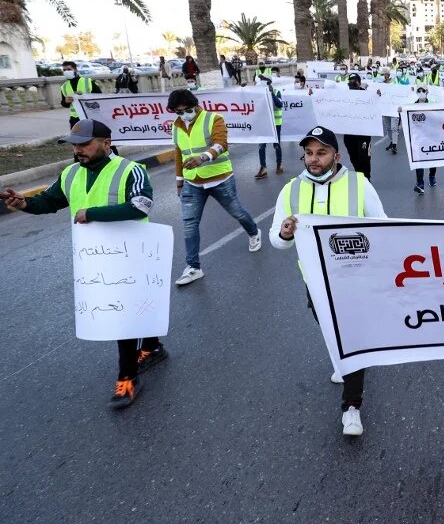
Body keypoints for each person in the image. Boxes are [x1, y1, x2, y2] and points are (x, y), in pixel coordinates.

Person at [0, 120, 167, 409]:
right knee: (132, 307)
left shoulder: (130, 170)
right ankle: (152, 347)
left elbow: (141, 204)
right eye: (74, 145)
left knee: (121, 316)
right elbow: (49, 201)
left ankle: (127, 378)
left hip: (131, 254)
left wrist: (92, 213)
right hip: (96, 258)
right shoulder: (70, 173)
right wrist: (24, 203)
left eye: (84, 144)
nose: (78, 150)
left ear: (106, 142)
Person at [269, 126, 387, 436]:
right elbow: (277, 241)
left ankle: (352, 407)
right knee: (332, 331)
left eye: (321, 152)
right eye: (309, 153)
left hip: (354, 281)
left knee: (351, 339)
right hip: (316, 283)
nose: (314, 159)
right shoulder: (291, 191)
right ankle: (344, 358)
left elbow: (384, 228)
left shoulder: (360, 185)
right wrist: (284, 233)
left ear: (336, 155)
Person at [167, 88, 262, 286]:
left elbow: (221, 144)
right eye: (178, 112)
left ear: (195, 105)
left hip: (220, 179)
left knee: (237, 212)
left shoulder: (213, 119)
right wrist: (179, 181)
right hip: (192, 182)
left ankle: (254, 232)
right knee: (189, 224)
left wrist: (203, 157)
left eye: (186, 110)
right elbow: (179, 154)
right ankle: (193, 267)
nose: (183, 115)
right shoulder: (176, 127)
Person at [405, 85, 437, 193]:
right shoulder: (412, 105)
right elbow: (405, 116)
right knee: (419, 160)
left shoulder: (434, 103)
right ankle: (420, 184)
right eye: (419, 90)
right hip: (418, 137)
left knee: (432, 159)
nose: (421, 92)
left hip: (432, 136)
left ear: (427, 92)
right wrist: (400, 110)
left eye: (423, 90)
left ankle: (432, 176)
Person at [343, 73, 372, 180]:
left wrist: (377, 95)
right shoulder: (344, 97)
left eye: (354, 82)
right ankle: (360, 177)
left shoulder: (366, 96)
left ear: (359, 83)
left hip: (363, 134)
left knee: (364, 158)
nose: (352, 84)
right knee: (354, 158)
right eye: (350, 82)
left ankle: (367, 178)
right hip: (349, 134)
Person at [256, 75, 284, 179]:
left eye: (265, 80)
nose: (262, 82)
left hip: (275, 123)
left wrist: (271, 93)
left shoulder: (276, 91)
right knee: (261, 146)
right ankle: (263, 168)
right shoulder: (258, 92)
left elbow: (279, 105)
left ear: (269, 82)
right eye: (261, 80)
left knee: (276, 145)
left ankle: (279, 164)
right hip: (263, 123)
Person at [60, 61, 95, 128]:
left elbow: (99, 96)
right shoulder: (64, 86)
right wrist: (66, 101)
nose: (66, 71)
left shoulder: (87, 81)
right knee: (75, 137)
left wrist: (84, 96)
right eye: (64, 70)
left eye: (69, 69)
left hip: (90, 115)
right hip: (75, 118)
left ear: (75, 70)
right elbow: (63, 103)